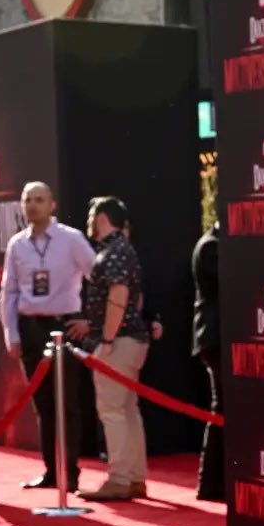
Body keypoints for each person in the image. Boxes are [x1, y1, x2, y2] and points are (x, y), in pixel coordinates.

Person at [0, 181, 96, 492]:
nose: (33, 206)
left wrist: (90, 319)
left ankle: (70, 472)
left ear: (52, 204)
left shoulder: (71, 239)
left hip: (64, 326)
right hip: (30, 328)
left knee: (66, 403)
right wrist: (11, 334)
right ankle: (51, 471)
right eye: (28, 200)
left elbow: (98, 276)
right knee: (42, 404)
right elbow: (9, 292)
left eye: (39, 200)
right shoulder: (17, 244)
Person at [75, 197, 151, 502]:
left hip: (118, 342)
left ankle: (120, 478)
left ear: (102, 217)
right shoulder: (122, 249)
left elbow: (119, 294)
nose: (88, 221)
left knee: (112, 410)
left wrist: (106, 340)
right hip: (130, 339)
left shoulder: (114, 251)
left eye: (91, 215)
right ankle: (134, 477)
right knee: (127, 409)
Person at [191, 220, 223, 501]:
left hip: (216, 338)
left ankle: (214, 482)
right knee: (220, 408)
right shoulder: (211, 246)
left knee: (220, 408)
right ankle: (209, 483)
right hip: (215, 338)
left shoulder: (213, 243)